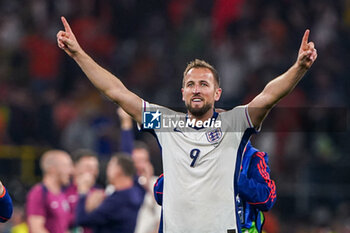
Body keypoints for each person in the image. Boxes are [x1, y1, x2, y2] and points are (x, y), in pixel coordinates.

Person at [57, 16, 317, 232]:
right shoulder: (166, 123)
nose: (196, 90)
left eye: (204, 84)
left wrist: (299, 68)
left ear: (217, 93)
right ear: (182, 93)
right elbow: (117, 92)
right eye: (191, 85)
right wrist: (79, 54)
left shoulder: (233, 123)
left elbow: (269, 96)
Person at [154, 141, 277, 233]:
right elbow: (159, 193)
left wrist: (232, 174)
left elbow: (267, 199)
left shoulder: (252, 157)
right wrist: (188, 167)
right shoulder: (192, 154)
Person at [75, 153, 144, 233]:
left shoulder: (117, 200)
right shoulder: (136, 192)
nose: (107, 169)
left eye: (110, 165)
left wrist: (83, 193)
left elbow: (82, 220)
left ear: (118, 170)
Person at [118, 108, 161, 233]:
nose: (139, 166)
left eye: (143, 160)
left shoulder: (157, 183)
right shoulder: (119, 186)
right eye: (135, 161)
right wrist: (125, 124)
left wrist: (148, 187)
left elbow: (162, 216)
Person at [26, 150, 73, 233]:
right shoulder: (39, 193)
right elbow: (36, 229)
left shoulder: (62, 194)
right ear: (52, 169)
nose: (71, 171)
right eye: (66, 166)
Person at [64, 149, 100, 233]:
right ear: (74, 168)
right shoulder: (64, 191)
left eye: (95, 167)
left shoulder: (99, 193)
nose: (93, 171)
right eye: (88, 167)